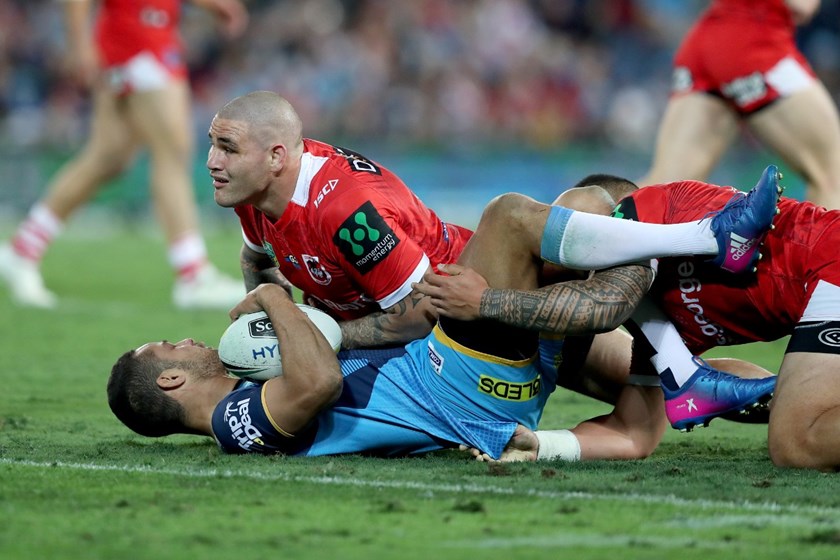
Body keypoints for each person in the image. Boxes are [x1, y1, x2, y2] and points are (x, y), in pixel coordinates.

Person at [107, 171, 779, 459]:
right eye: (170, 345)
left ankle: (725, 382)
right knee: (512, 219)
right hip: (456, 385)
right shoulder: (231, 421)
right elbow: (318, 382)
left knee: (594, 213)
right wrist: (278, 298)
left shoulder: (245, 392)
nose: (187, 339)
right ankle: (706, 238)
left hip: (460, 373)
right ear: (169, 382)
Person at [429, 165, 840, 471]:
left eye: (561, 226)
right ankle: (688, 376)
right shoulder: (657, 324)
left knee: (797, 443)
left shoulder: (655, 204)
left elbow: (604, 303)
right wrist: (540, 444)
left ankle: (689, 372)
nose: (546, 245)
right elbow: (633, 433)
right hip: (820, 291)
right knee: (797, 433)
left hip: (829, 260)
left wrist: (486, 301)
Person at [0, 0, 249, 309]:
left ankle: (24, 247)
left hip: (134, 35)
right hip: (141, 36)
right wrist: (79, 43)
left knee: (109, 156)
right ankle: (193, 273)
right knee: (172, 152)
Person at [206, 90, 475, 349]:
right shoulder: (252, 190)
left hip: (453, 328)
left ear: (276, 157)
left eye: (228, 149)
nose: (212, 161)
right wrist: (271, 330)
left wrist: (308, 338)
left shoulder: (346, 212)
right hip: (389, 326)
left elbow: (417, 317)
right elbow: (256, 259)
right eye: (213, 144)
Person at [639, 0, 840, 211]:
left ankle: (603, 218)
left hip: (708, 38)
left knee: (666, 187)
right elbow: (801, 6)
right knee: (832, 174)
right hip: (756, 42)